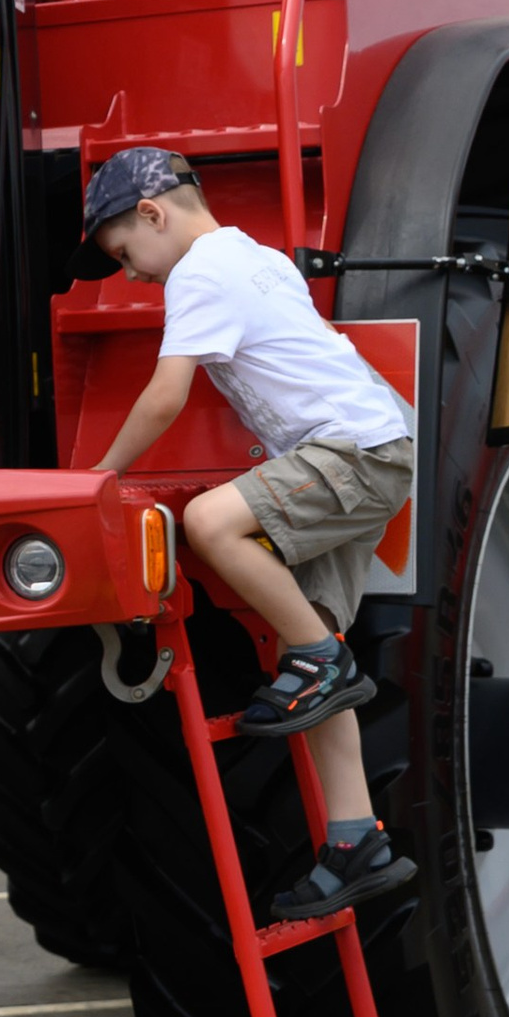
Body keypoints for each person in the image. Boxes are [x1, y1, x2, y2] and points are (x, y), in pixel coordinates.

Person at [83, 143, 418, 918]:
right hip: (374, 443)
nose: (134, 274)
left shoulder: (199, 272)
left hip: (352, 452)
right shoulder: (257, 257)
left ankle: (321, 659)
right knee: (314, 650)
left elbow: (166, 398)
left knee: (210, 523)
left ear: (153, 213)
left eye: (129, 254)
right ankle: (354, 839)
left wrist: (99, 475)